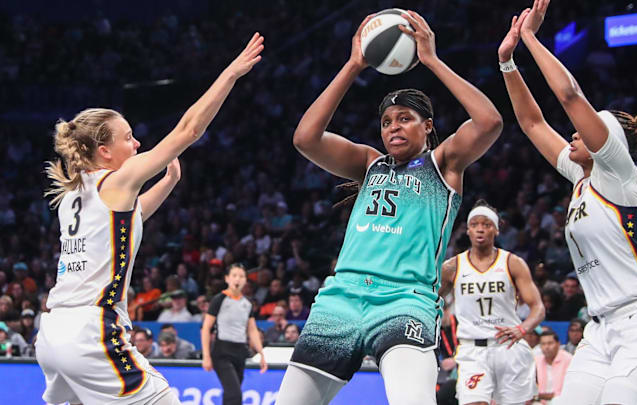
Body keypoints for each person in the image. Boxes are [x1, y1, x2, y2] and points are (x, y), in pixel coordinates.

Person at [277, 9, 503, 405]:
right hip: (341, 298)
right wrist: (352, 66)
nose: (393, 127)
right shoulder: (369, 163)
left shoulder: (444, 165)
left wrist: (431, 60)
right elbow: (305, 138)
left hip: (406, 300)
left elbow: (489, 122)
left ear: (428, 126)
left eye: (405, 118)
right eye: (386, 122)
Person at [34, 33, 264, 405]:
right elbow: (189, 130)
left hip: (53, 334)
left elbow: (131, 217)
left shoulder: (72, 196)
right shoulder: (117, 180)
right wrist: (231, 74)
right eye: (129, 138)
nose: (138, 144)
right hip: (91, 334)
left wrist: (170, 181)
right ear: (105, 151)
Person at [500, 1, 637, 403]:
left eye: (583, 131)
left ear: (610, 141)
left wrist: (531, 38)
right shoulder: (579, 178)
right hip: (599, 330)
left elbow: (569, 95)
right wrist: (507, 63)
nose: (572, 135)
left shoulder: (619, 175)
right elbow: (533, 123)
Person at [439, 199, 545, 405]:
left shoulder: (513, 263)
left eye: (486, 225)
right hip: (472, 350)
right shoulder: (452, 267)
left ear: (496, 230)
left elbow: (538, 308)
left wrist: (523, 329)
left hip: (508, 347)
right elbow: (430, 300)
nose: (480, 229)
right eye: (475, 224)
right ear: (467, 230)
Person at [201, 264, 267, 405]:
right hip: (222, 352)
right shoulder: (219, 300)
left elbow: (252, 329)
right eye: (234, 275)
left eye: (241, 276)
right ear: (227, 278)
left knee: (230, 394)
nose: (238, 279)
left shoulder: (247, 303)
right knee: (234, 394)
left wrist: (261, 353)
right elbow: (206, 328)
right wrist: (206, 356)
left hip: (240, 352)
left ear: (245, 280)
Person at [533, 330, 573, 404]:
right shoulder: (537, 360)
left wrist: (550, 396)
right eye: (543, 344)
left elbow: (572, 389)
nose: (546, 347)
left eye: (550, 343)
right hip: (540, 402)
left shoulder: (569, 360)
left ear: (558, 344)